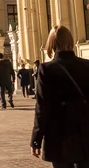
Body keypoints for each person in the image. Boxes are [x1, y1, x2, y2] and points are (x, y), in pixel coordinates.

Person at [31, 25, 89, 167]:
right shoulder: (87, 65)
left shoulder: (46, 69)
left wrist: (36, 139)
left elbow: (42, 107)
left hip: (59, 132)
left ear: (51, 44)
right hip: (86, 130)